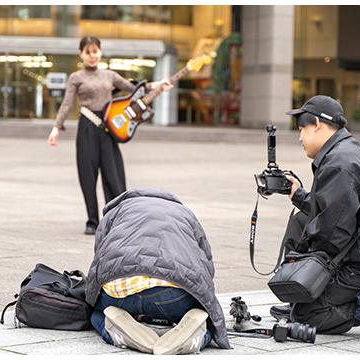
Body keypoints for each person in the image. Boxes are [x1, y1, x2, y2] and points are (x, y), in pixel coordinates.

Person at [269, 95, 360, 340]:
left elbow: (332, 234)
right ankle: (303, 298)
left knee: (305, 317)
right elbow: (337, 208)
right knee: (301, 220)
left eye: (301, 128)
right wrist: (298, 195)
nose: (300, 137)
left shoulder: (339, 163)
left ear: (316, 124)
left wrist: (300, 264)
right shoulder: (346, 149)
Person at [47, 36, 172, 235]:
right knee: (87, 174)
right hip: (87, 126)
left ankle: (117, 218)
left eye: (95, 51)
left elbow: (134, 89)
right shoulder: (76, 77)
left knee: (113, 174)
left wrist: (158, 85)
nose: (92, 56)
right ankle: (92, 220)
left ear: (100, 52)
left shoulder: (109, 75)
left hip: (108, 129)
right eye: (87, 52)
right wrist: (56, 128)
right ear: (81, 54)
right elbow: (67, 104)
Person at [84, 187, 231, 355]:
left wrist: (91, 299)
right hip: (174, 297)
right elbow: (206, 262)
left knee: (96, 314)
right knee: (204, 316)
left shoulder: (116, 211)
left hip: (118, 295)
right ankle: (199, 336)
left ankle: (115, 332)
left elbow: (99, 258)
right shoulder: (185, 213)